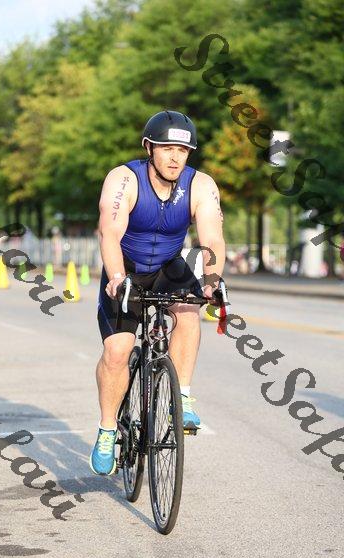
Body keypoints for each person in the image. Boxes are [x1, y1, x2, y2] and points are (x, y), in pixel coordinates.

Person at [90, 110, 226, 475]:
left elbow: (212, 239)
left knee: (188, 309)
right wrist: (117, 276)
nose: (175, 157)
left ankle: (180, 397)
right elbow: (109, 233)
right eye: (167, 148)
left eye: (182, 150)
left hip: (168, 266)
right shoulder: (124, 179)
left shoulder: (200, 185)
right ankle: (107, 429)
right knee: (117, 350)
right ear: (149, 148)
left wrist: (212, 280)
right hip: (126, 267)